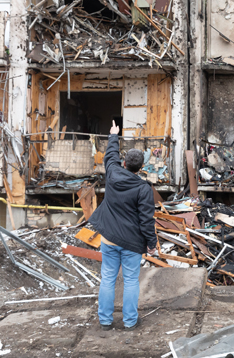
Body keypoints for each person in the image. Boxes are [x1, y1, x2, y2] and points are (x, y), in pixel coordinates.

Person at [88, 120, 158, 331]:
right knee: (130, 282)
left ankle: (105, 321)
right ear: (141, 167)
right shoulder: (143, 189)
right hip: (131, 243)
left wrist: (113, 135)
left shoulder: (112, 172)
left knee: (107, 279)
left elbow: (110, 154)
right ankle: (129, 322)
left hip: (109, 238)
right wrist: (151, 243)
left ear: (124, 163)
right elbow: (146, 220)